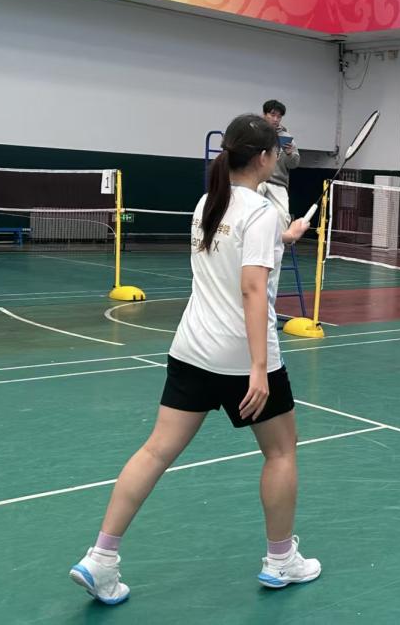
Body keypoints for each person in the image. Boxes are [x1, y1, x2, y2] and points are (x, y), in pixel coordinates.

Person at [69, 114, 317, 605]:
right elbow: (252, 288)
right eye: (276, 151)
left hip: (191, 350)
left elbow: (236, 249)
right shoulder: (260, 211)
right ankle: (281, 560)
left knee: (155, 452)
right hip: (242, 358)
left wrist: (287, 235)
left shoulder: (210, 202)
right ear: (264, 158)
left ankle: (101, 559)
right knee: (281, 452)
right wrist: (258, 368)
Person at [260, 99, 300, 230]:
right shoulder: (254, 132)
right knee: (251, 209)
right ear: (264, 114)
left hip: (278, 183)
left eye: (279, 116)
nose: (275, 119)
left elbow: (294, 164)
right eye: (272, 115)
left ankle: (280, 242)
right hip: (257, 180)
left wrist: (289, 154)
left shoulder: (287, 138)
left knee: (283, 217)